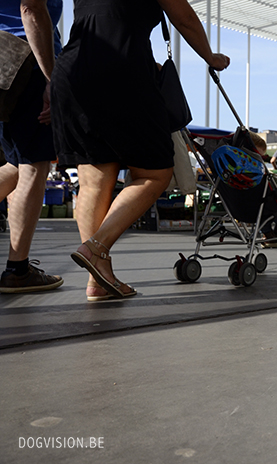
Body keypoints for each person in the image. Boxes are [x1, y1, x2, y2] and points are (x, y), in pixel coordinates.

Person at [51, 0, 230, 301]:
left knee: (94, 181)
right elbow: (183, 17)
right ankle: (96, 248)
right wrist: (210, 57)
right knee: (155, 172)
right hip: (121, 69)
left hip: (73, 70)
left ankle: (98, 280)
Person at [0, 0, 64, 294]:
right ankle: (17, 270)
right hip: (26, 59)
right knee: (33, 165)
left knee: (14, 164)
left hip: (3, 63)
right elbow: (32, 8)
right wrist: (51, 78)